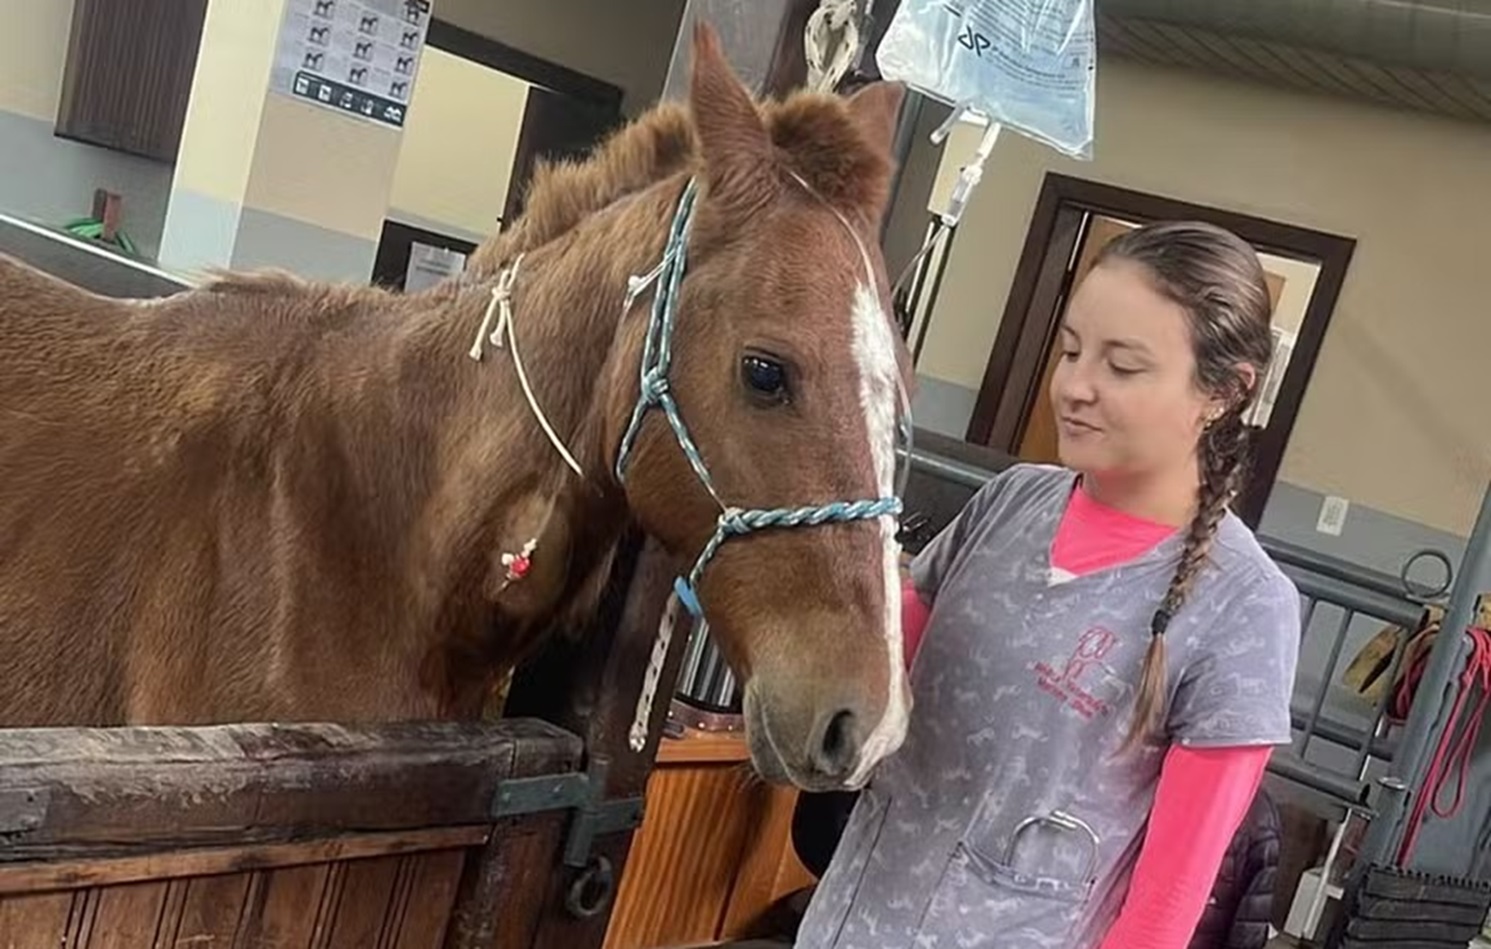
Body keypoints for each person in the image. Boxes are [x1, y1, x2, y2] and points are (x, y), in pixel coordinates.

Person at [793, 220, 1302, 948]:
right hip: (850, 920)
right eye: (1069, 350)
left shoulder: (1244, 606)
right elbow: (865, 677)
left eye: (1122, 366)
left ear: (1221, 390)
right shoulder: (1011, 501)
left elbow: (1167, 903)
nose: (1074, 386)